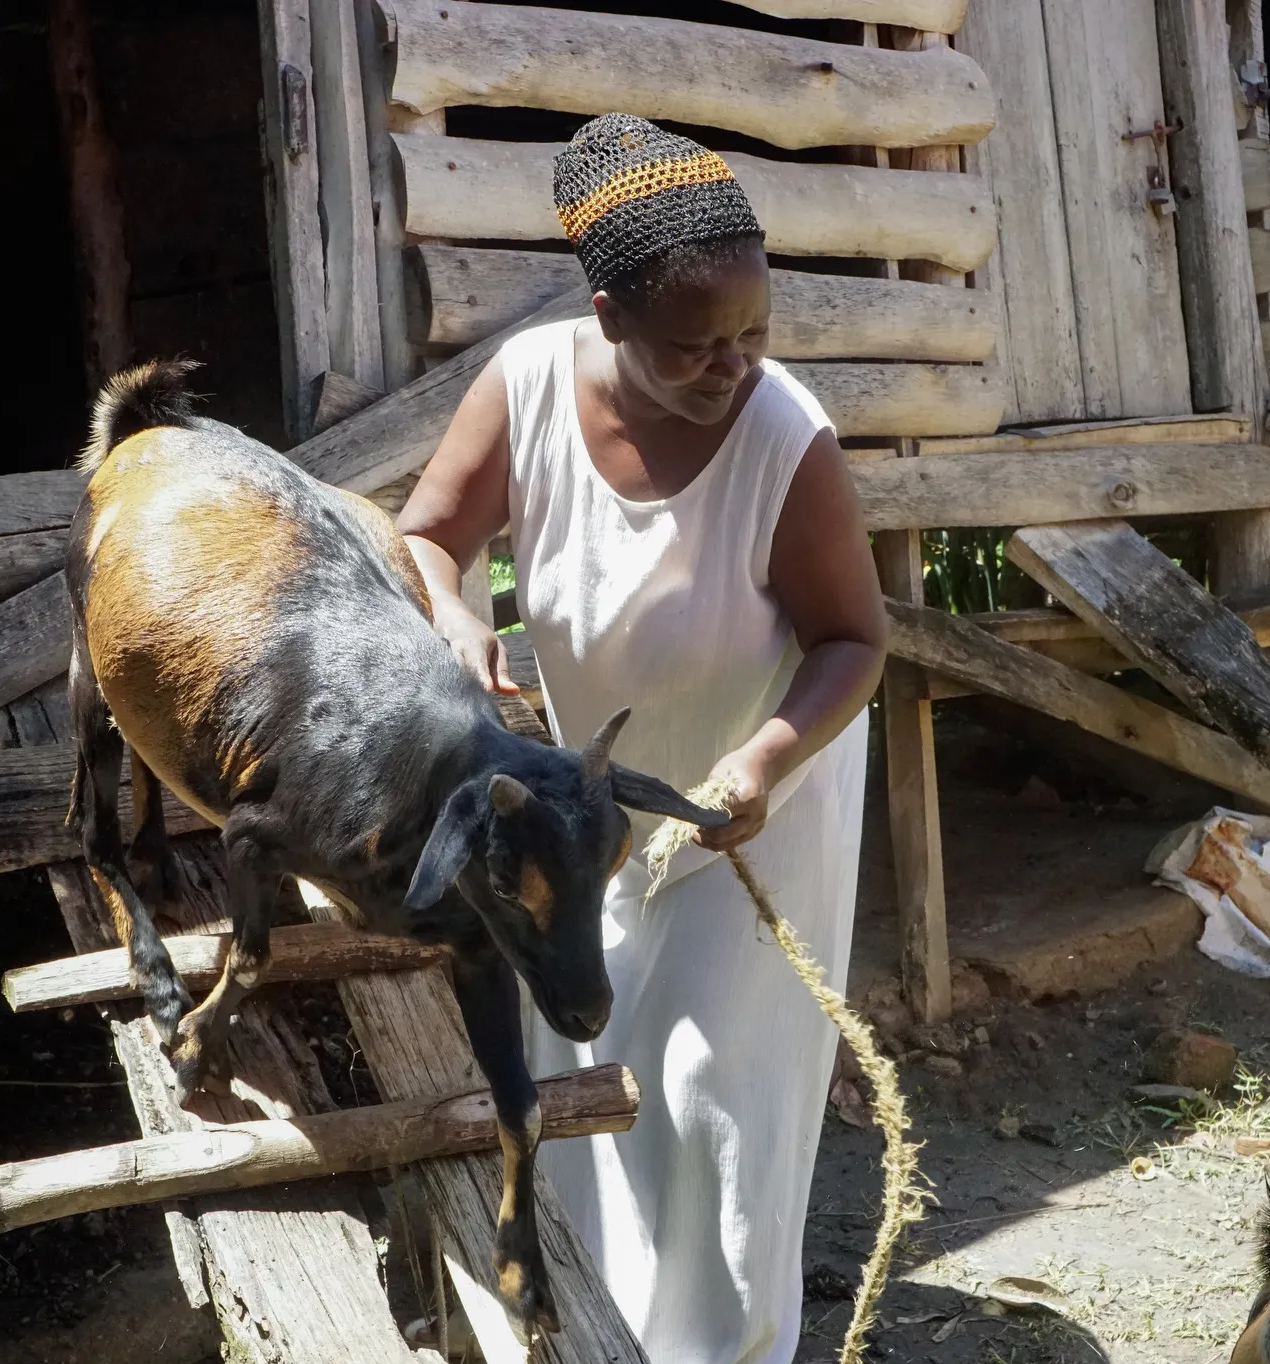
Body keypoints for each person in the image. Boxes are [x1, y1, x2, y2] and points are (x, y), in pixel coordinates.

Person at [397, 113, 887, 1364]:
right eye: (695, 345)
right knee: (598, 1083)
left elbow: (853, 640)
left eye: (753, 335)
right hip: (594, 811)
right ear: (608, 314)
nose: (733, 366)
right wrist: (451, 608)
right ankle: (595, 1340)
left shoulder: (786, 440)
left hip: (746, 806)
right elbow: (424, 536)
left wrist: (761, 762)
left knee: (718, 1104)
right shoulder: (525, 389)